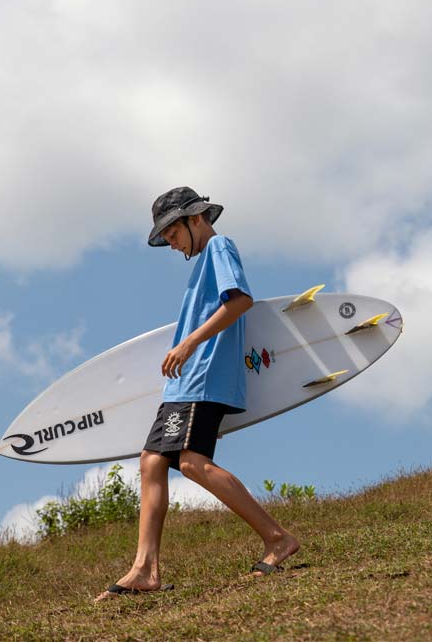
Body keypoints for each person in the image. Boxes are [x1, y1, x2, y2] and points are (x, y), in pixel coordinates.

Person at [96, 187, 299, 600]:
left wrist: (188, 344)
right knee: (152, 461)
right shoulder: (202, 261)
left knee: (190, 464)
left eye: (172, 234)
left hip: (203, 375)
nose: (171, 244)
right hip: (186, 382)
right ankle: (145, 568)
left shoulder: (220, 246)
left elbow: (240, 300)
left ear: (195, 219)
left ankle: (277, 538)